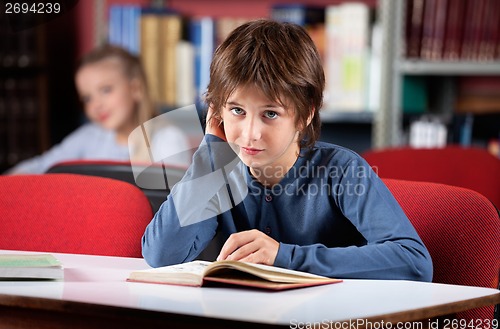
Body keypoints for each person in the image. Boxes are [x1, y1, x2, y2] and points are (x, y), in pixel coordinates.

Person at [141, 20, 433, 281]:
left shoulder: (343, 170)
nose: (250, 134)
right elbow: (163, 254)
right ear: (216, 111)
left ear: (305, 114)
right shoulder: (218, 171)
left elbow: (414, 262)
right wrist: (209, 155)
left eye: (270, 114)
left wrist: (283, 257)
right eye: (237, 110)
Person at [7, 45, 190, 174]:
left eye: (106, 90)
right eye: (87, 98)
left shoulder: (167, 139)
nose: (96, 105)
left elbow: (177, 204)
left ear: (136, 89)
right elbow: (39, 167)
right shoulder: (88, 137)